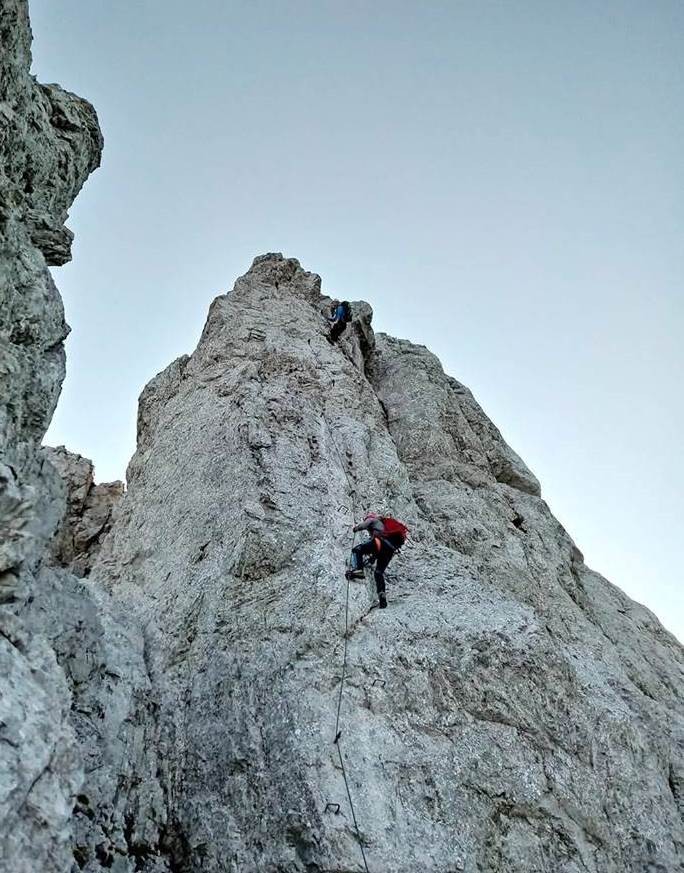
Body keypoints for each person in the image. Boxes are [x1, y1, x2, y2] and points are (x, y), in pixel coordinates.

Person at [346, 512, 409, 608]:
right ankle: (382, 596)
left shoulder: (373, 520)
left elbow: (366, 524)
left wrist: (356, 528)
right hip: (389, 551)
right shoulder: (383, 527)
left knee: (357, 549)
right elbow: (377, 552)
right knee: (378, 573)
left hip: (380, 543)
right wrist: (371, 559)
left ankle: (358, 570)